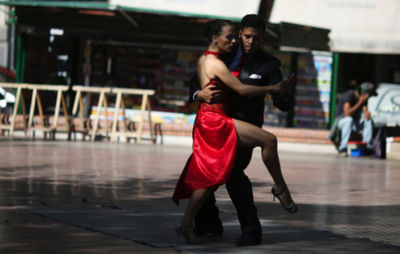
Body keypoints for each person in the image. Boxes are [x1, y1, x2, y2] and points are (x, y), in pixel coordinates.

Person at [172, 19, 297, 244]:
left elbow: (282, 101)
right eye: (247, 36)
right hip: (214, 123)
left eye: (256, 38)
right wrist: (198, 95)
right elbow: (195, 83)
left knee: (233, 176)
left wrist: (282, 92)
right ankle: (205, 224)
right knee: (207, 175)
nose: (251, 41)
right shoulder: (223, 53)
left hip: (243, 128)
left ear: (263, 38)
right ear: (240, 34)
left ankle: (251, 230)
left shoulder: (269, 64)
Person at [330, 82, 377, 156]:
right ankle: (343, 148)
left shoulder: (364, 100)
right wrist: (360, 103)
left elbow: (365, 112)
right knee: (349, 120)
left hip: (354, 123)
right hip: (341, 122)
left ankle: (366, 147)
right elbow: (347, 113)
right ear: (364, 94)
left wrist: (367, 113)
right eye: (369, 96)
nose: (369, 98)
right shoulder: (349, 95)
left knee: (368, 121)